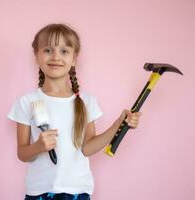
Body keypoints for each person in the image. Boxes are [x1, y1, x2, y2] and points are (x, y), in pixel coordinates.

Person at [7, 23, 141, 200]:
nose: (56, 57)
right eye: (48, 50)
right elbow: (22, 154)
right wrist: (38, 147)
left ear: (74, 58)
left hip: (77, 190)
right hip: (39, 191)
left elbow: (87, 148)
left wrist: (118, 124)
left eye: (64, 51)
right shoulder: (27, 102)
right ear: (36, 56)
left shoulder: (86, 102)